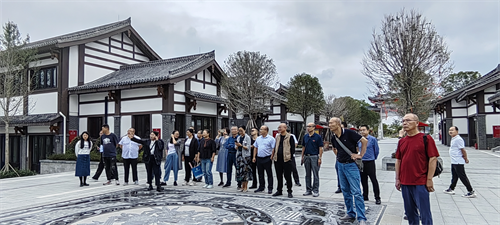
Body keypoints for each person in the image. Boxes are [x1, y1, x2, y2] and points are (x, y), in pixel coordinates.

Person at [395, 113, 439, 225]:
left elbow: (433, 159)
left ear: (417, 123)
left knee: (425, 213)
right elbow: (398, 160)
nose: (405, 123)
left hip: (420, 182)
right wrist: (397, 179)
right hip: (405, 182)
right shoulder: (402, 141)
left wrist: (429, 179)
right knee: (410, 213)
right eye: (403, 121)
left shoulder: (426, 138)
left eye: (408, 120)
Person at [330, 117, 368, 225]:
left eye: (331, 123)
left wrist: (361, 155)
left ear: (338, 124)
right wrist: (338, 158)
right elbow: (334, 148)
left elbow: (364, 141)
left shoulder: (349, 133)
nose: (329, 125)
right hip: (340, 165)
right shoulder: (333, 137)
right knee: (345, 190)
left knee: (356, 192)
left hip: (351, 165)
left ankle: (361, 217)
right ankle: (350, 213)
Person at [443, 126, 476, 198]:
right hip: (454, 161)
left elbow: (463, 150)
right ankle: (451, 188)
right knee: (454, 176)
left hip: (458, 161)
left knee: (462, 176)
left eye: (452, 130)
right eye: (449, 130)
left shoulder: (458, 139)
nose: (450, 131)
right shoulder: (454, 139)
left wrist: (466, 158)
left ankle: (470, 191)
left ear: (457, 131)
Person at [358, 125, 381, 204]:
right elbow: (358, 149)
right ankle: (365, 195)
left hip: (370, 162)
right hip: (362, 162)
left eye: (364, 130)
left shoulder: (372, 139)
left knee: (373, 180)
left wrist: (373, 157)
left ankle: (377, 197)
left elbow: (376, 150)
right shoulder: (359, 140)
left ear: (368, 131)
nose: (362, 132)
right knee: (363, 180)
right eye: (361, 130)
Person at [271, 123, 295, 198]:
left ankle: (289, 191)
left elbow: (293, 148)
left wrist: (290, 157)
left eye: (280, 128)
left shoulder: (290, 137)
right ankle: (279, 190)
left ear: (285, 128)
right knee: (279, 175)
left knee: (287, 176)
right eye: (278, 128)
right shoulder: (277, 137)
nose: (279, 129)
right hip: (277, 159)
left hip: (287, 159)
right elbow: (275, 147)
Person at [301, 122, 323, 197]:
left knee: (315, 174)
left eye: (310, 126)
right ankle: (308, 189)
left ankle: (315, 190)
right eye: (307, 126)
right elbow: (303, 147)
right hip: (307, 156)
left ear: (314, 127)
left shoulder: (317, 137)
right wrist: (302, 156)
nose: (308, 128)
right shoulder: (305, 137)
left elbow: (320, 148)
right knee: (307, 174)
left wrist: (320, 158)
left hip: (314, 156)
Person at [253, 125, 276, 194]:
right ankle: (261, 187)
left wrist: (271, 157)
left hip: (267, 158)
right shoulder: (258, 138)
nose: (260, 131)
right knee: (260, 173)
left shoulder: (271, 139)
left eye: (262, 129)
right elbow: (255, 147)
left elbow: (273, 148)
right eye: (260, 129)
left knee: (269, 174)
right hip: (259, 158)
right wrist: (254, 157)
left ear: (266, 130)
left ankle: (270, 188)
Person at [236, 125, 252, 192]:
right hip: (239, 155)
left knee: (246, 171)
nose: (240, 132)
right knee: (240, 172)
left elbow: (248, 147)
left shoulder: (247, 137)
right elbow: (236, 147)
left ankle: (246, 187)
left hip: (245, 156)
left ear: (244, 130)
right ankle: (242, 186)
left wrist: (241, 145)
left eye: (241, 131)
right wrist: (237, 146)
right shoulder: (239, 137)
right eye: (239, 131)